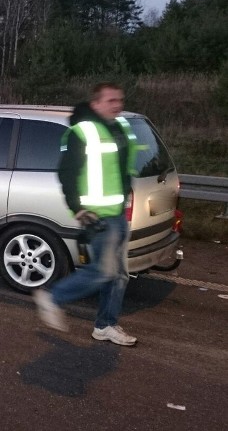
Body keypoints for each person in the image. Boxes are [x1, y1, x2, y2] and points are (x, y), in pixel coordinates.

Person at [34, 82, 139, 346]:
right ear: (96, 104)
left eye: (120, 100)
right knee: (103, 271)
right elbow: (66, 173)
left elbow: (122, 169)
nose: (117, 105)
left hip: (117, 213)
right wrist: (77, 207)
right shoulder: (81, 132)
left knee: (119, 275)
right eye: (111, 100)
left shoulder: (119, 128)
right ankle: (53, 297)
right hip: (97, 215)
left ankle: (105, 325)